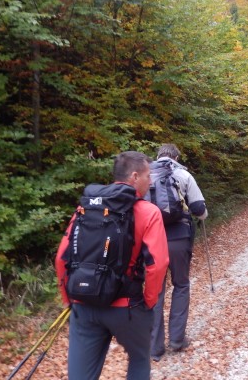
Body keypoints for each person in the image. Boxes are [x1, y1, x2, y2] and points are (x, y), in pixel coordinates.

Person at [55, 151, 169, 380]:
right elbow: (158, 265)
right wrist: (149, 302)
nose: (150, 181)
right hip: (127, 307)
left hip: (84, 304)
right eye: (148, 175)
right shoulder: (148, 212)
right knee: (139, 359)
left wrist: (68, 298)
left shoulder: (86, 208)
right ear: (134, 176)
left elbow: (61, 258)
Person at [150, 143, 208, 361]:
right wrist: (202, 216)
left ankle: (155, 348)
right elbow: (199, 209)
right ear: (176, 157)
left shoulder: (145, 175)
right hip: (178, 238)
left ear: (158, 156)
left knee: (155, 291)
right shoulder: (183, 175)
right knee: (181, 285)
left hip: (151, 240)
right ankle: (176, 339)